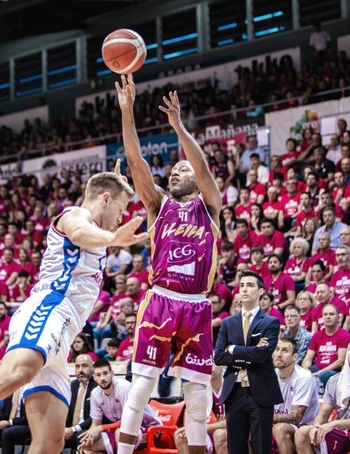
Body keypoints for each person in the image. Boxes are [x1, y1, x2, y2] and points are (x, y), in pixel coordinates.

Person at [0, 168, 144, 453]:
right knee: (15, 373)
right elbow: (80, 232)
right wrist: (113, 239)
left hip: (63, 336)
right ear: (106, 199)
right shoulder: (76, 216)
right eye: (121, 209)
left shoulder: (99, 232)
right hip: (49, 308)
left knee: (51, 440)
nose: (122, 218)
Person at [116, 74, 222, 454]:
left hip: (196, 304)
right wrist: (127, 112)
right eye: (173, 170)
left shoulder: (208, 205)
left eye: (182, 169)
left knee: (197, 398)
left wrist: (178, 126)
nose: (175, 171)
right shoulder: (157, 205)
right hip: (161, 298)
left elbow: (204, 168)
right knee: (141, 386)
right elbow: (135, 160)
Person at [215, 270, 281, 454]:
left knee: (261, 447)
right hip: (234, 391)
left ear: (260, 291)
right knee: (235, 448)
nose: (244, 289)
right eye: (242, 285)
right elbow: (219, 356)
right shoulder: (227, 322)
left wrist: (234, 349)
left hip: (260, 391)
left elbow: (263, 355)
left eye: (250, 285)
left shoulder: (271, 322)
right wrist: (252, 352)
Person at [294, 338, 350, 454]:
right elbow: (323, 414)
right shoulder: (334, 380)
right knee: (302, 432)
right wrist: (316, 427)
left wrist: (334, 424)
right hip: (343, 430)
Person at [77, 359, 159, 453]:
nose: (102, 378)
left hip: (148, 428)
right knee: (87, 446)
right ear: (94, 377)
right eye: (99, 375)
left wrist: (102, 428)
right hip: (120, 428)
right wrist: (89, 439)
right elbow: (95, 424)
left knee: (121, 433)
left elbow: (128, 420)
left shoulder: (123, 387)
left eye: (105, 373)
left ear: (112, 373)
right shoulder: (95, 393)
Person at [271, 337, 320, 454]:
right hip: (277, 422)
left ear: (294, 357)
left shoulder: (303, 377)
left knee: (280, 428)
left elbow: (296, 417)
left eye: (284, 350)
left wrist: (266, 417)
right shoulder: (270, 376)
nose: (279, 354)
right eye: (277, 349)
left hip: (305, 427)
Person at [301, 303, 350, 388]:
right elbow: (308, 359)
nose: (328, 317)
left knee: (326, 375)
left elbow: (340, 362)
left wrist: (320, 373)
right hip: (317, 369)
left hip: (334, 371)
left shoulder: (344, 335)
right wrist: (306, 371)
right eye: (325, 314)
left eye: (331, 314)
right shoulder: (317, 335)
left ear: (338, 317)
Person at [64, 354, 97, 451]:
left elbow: (94, 418)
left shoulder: (97, 386)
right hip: (71, 429)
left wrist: (73, 429)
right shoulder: (72, 385)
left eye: (85, 366)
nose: (80, 370)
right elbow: (67, 412)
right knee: (50, 436)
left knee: (80, 436)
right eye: (77, 366)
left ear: (92, 367)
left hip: (88, 428)